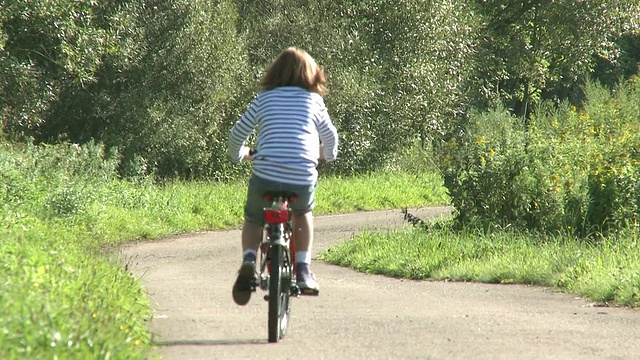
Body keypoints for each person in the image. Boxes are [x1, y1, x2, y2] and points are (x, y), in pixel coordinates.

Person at [227, 47, 339, 306]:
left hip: (266, 172)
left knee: (254, 217)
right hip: (302, 174)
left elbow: (237, 133)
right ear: (311, 75)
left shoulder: (264, 98)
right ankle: (303, 270)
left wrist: (239, 154)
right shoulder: (314, 101)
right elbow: (330, 137)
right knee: (302, 212)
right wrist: (328, 155)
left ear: (274, 72)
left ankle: (247, 261)